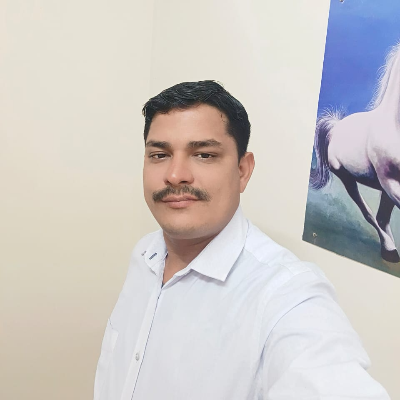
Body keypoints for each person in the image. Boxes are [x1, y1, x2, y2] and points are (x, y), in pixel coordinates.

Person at [94, 80, 390, 400]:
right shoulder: (144, 253)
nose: (175, 175)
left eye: (203, 154)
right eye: (159, 154)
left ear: (243, 171)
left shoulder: (285, 295)